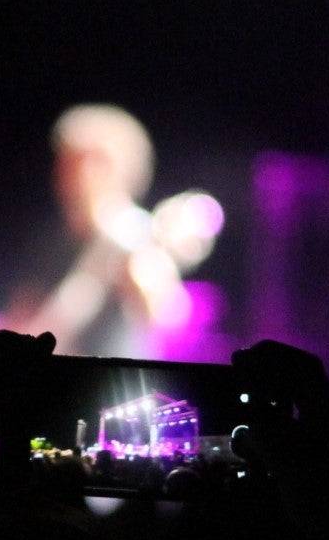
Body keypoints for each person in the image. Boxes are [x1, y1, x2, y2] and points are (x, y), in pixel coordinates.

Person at [19, 104, 221, 356]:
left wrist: (141, 280)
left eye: (82, 163)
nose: (66, 175)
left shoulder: (138, 234)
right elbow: (24, 315)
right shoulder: (53, 242)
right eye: (65, 163)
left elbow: (169, 319)